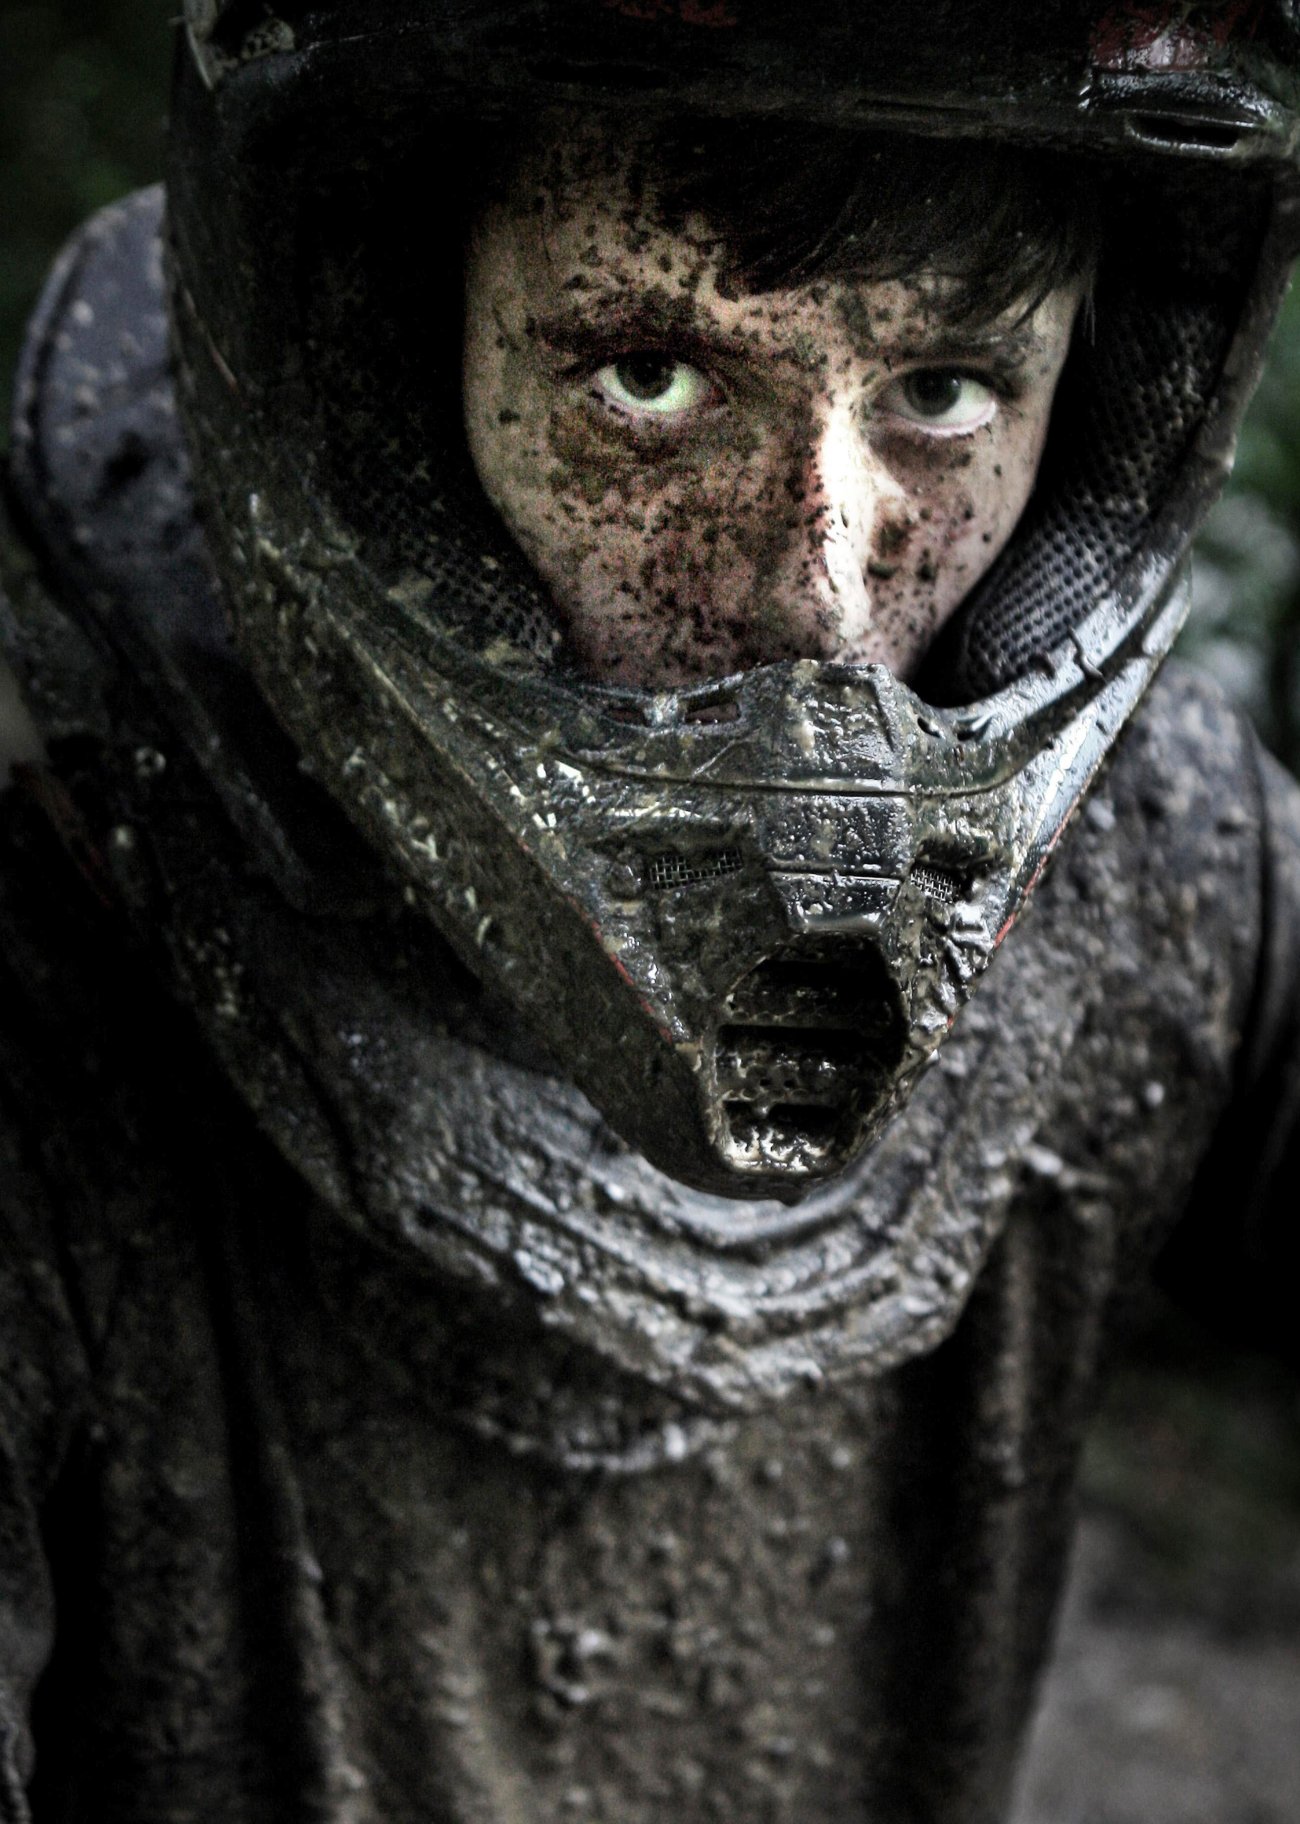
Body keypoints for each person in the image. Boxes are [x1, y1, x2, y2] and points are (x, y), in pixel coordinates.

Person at [0, 1, 1296, 1817]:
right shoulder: (51, 976)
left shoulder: (1155, 859)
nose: (821, 597)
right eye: (650, 379)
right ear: (382, 357)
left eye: (944, 394)